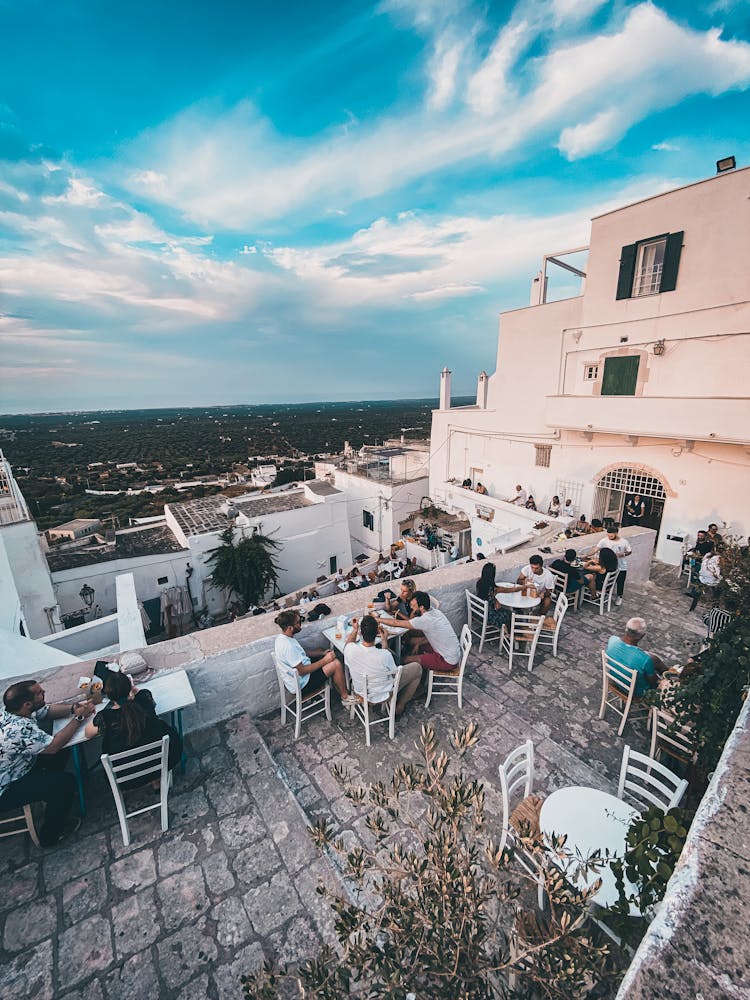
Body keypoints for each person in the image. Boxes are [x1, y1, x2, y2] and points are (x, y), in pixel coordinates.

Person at [0, 680, 95, 846]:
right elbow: (53, 746)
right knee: (64, 782)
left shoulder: (15, 711)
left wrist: (73, 708)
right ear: (27, 704)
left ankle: (52, 796)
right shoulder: (16, 730)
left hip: (20, 765)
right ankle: (50, 836)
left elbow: (46, 711)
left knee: (65, 748)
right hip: (7, 786)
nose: (44, 692)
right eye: (39, 693)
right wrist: (80, 717)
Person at [84, 672, 182, 781]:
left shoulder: (106, 718)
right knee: (150, 735)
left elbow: (87, 734)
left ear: (109, 695)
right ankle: (156, 781)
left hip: (125, 778)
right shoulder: (145, 699)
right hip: (158, 765)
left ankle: (154, 782)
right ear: (130, 688)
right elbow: (143, 697)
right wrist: (133, 691)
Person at [344, 615, 422, 717]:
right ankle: (400, 706)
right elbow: (395, 676)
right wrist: (385, 640)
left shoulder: (350, 649)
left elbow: (348, 643)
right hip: (384, 695)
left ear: (361, 633)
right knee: (417, 668)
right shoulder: (385, 655)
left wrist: (355, 630)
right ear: (377, 632)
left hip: (361, 693)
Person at [274, 610, 354, 704]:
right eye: (298, 622)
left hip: (300, 677)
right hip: (303, 684)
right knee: (335, 664)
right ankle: (345, 697)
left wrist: (321, 653)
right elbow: (302, 671)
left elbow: (301, 653)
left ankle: (339, 686)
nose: (301, 624)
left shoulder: (282, 638)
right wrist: (325, 660)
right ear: (290, 628)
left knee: (321, 650)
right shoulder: (288, 646)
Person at [382, 592, 460, 674]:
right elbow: (436, 636)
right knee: (413, 644)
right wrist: (418, 644)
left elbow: (396, 623)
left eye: (413, 606)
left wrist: (377, 619)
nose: (412, 607)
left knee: (405, 659)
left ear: (422, 607)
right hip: (450, 652)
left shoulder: (425, 620)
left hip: (447, 661)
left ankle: (405, 677)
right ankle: (421, 668)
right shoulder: (436, 612)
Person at [606, 618, 667, 697]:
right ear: (642, 636)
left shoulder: (612, 640)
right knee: (654, 661)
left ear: (626, 629)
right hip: (636, 693)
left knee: (651, 660)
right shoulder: (645, 659)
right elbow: (654, 684)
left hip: (616, 682)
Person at [595, 524, 632, 606]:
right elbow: (596, 548)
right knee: (606, 581)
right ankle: (605, 594)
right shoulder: (604, 540)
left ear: (616, 533)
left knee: (620, 582)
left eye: (611, 536)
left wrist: (623, 554)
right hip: (609, 565)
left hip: (621, 565)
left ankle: (619, 596)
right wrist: (587, 555)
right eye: (608, 535)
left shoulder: (624, 542)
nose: (609, 537)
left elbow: (629, 551)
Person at [475, 562, 511, 630]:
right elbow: (495, 606)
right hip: (487, 616)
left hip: (478, 612)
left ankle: (505, 630)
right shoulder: (491, 588)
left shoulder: (479, 582)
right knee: (509, 614)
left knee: (504, 611)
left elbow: (489, 598)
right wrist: (496, 601)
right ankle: (507, 632)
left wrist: (496, 600)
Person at [689, 542, 722, 611]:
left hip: (702, 575)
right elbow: (718, 573)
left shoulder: (708, 552)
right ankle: (715, 603)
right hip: (709, 578)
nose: (699, 537)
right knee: (721, 584)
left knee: (696, 570)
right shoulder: (719, 558)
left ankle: (694, 593)